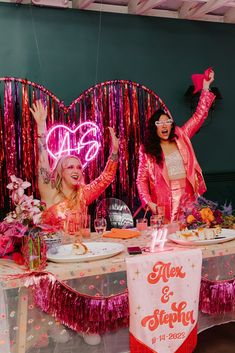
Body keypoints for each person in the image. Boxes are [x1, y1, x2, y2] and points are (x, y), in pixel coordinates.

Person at [136, 70, 215, 223]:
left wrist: (205, 87)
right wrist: (147, 201)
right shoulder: (147, 150)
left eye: (168, 122)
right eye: (160, 123)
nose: (164, 125)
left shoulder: (181, 135)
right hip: (164, 201)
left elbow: (199, 116)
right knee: (168, 239)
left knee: (190, 233)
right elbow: (141, 179)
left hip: (188, 197)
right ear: (154, 127)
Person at [30, 100, 119, 232]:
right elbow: (43, 160)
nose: (76, 170)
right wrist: (42, 127)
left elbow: (106, 178)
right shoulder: (49, 191)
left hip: (79, 249)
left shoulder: (83, 195)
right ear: (61, 172)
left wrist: (115, 151)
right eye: (70, 167)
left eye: (79, 167)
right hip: (54, 251)